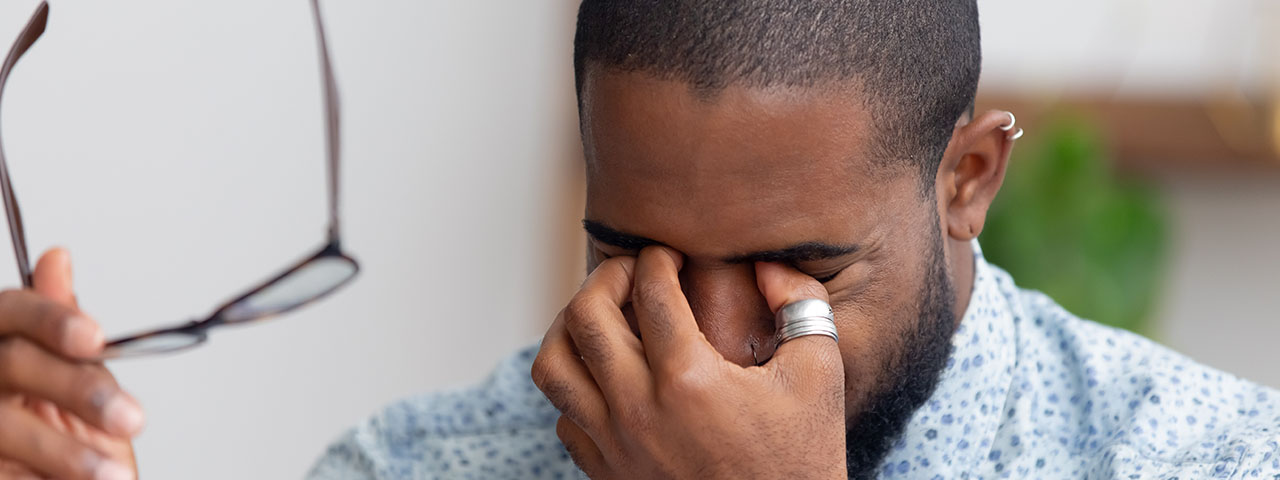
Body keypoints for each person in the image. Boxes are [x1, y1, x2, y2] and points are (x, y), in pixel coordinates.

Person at [3, 1, 1277, 480]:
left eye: (803, 274)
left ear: (967, 177)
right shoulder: (417, 471)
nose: (704, 352)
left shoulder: (1208, 462)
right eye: (633, 253)